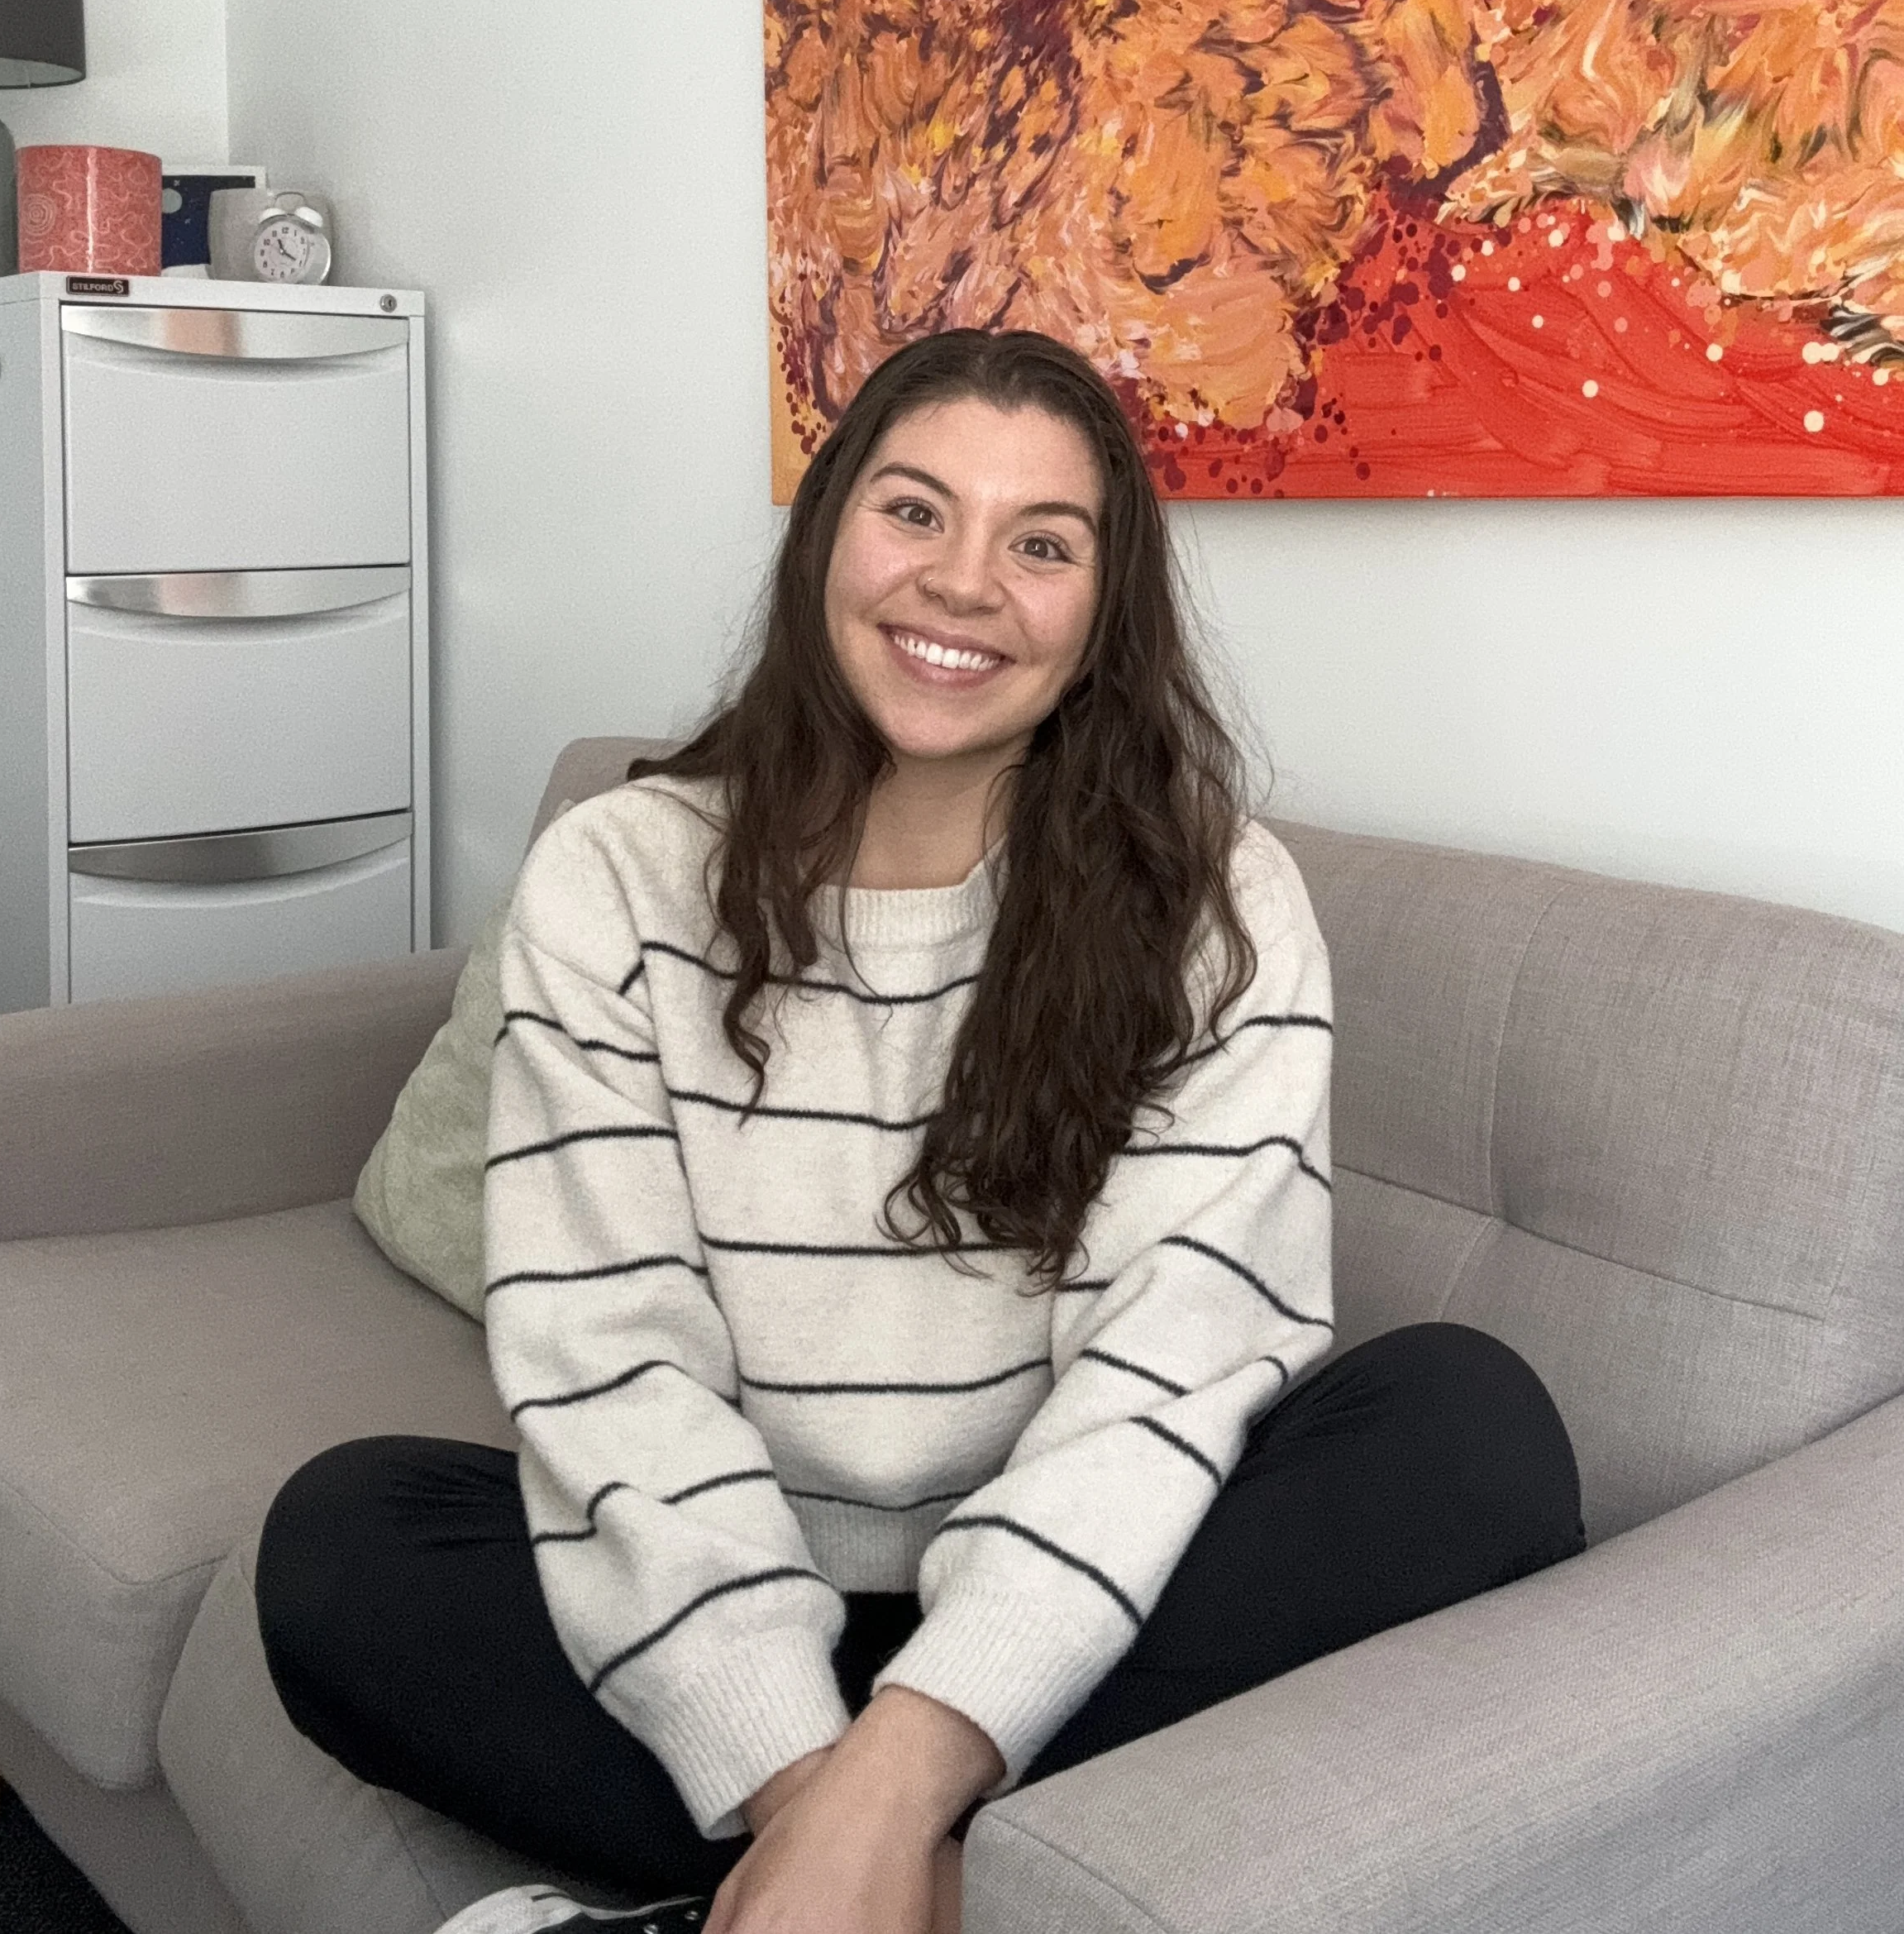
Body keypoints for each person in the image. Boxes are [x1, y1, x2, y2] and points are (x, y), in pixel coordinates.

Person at [255, 328, 1583, 1934]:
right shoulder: (619, 871)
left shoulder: (1212, 904)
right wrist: (789, 1756)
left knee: (1464, 1423)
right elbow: (610, 1355)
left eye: (1040, 544)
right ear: (826, 538)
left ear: (1101, 614)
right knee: (341, 1546)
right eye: (913, 512)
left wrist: (906, 1763)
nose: (962, 583)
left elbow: (1166, 1367)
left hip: (1088, 1599)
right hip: (739, 1588)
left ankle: (770, 1891)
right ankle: (932, 1883)